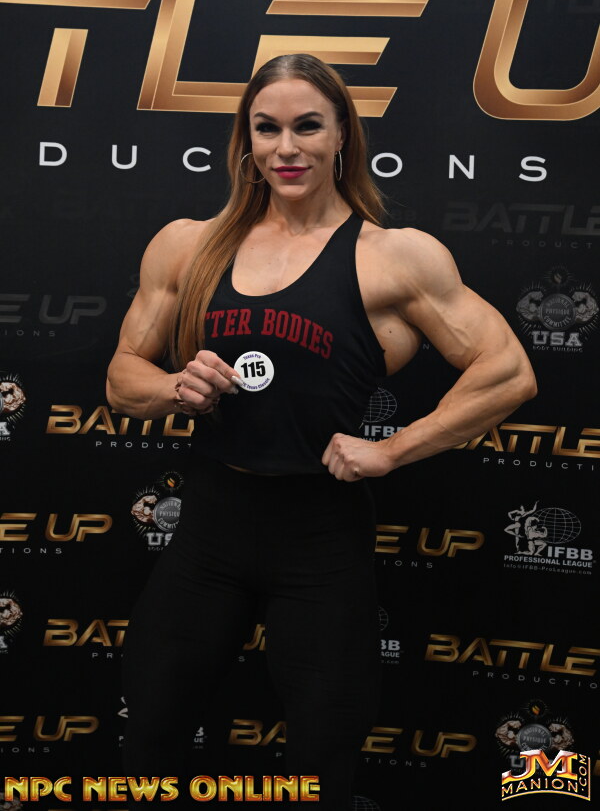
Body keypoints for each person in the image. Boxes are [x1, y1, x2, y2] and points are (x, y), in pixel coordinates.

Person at [106, 53, 536, 808]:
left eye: (307, 127)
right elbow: (120, 378)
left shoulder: (393, 258)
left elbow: (507, 372)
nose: (286, 148)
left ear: (342, 136)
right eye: (266, 129)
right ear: (246, 140)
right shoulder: (189, 245)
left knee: (321, 767)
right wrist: (176, 387)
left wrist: (394, 449)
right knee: (150, 735)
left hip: (320, 541)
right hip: (209, 533)